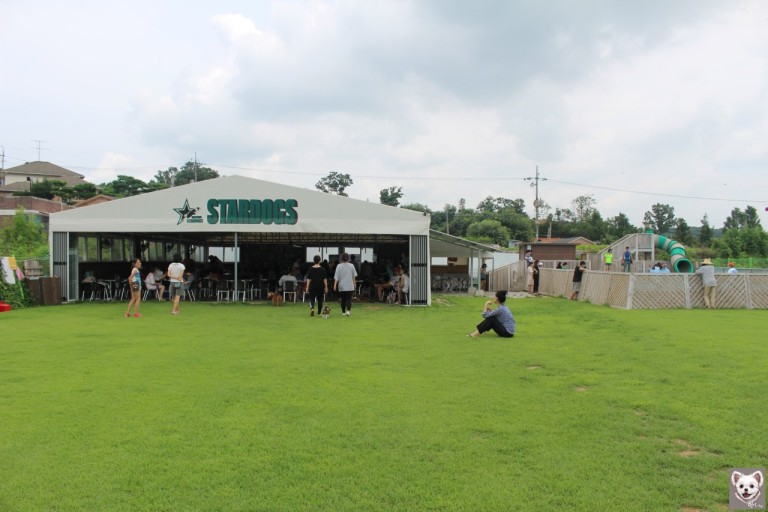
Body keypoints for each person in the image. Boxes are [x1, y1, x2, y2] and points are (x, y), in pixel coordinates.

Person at [333, 252, 357, 316]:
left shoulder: (339, 266)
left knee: (343, 299)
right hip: (350, 285)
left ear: (341, 259)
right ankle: (348, 311)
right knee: (349, 299)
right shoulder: (351, 266)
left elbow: (336, 277)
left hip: (341, 286)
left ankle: (343, 312)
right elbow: (353, 276)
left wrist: (335, 285)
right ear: (348, 258)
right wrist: (354, 284)